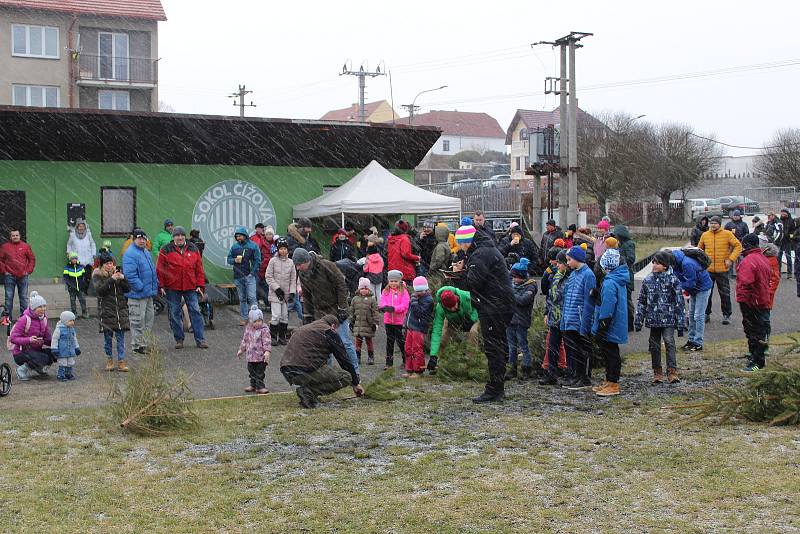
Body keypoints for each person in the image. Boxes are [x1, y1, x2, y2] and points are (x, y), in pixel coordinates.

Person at [451, 224, 514, 403]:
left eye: (460, 244)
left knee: (493, 348)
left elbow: (472, 284)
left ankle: (495, 389)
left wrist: (457, 275)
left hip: (494, 306)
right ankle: (496, 387)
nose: (460, 248)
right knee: (498, 346)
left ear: (466, 242)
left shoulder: (480, 254)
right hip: (499, 304)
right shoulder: (485, 250)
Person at [292, 248, 359, 373]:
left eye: (299, 264)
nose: (297, 268)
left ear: (307, 261)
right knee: (324, 345)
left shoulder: (326, 266)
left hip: (336, 309)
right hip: (320, 314)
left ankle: (355, 372)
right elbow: (306, 295)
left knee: (344, 342)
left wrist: (342, 307)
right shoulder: (303, 274)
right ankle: (328, 375)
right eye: (296, 265)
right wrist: (307, 314)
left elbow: (341, 285)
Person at [280, 315, 363, 409]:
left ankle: (309, 391)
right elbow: (343, 359)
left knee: (323, 370)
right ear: (333, 326)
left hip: (287, 370)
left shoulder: (305, 328)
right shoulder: (328, 331)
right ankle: (308, 393)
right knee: (346, 377)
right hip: (304, 369)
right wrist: (355, 383)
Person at [634, 251, 685, 385]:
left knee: (669, 342)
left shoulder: (673, 280)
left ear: (665, 266)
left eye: (657, 263)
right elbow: (642, 301)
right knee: (654, 346)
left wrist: (681, 323)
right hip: (653, 319)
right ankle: (657, 372)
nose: (654, 265)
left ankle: (672, 371)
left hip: (668, 319)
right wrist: (638, 320)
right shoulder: (648, 280)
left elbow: (679, 302)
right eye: (654, 262)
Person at [157, 226, 209, 349]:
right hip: (172, 288)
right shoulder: (165, 249)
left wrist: (200, 285)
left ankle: (200, 340)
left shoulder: (193, 248)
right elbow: (160, 269)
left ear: (185, 236)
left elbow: (199, 269)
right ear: (173, 237)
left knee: (195, 312)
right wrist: (161, 286)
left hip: (191, 287)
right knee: (174, 313)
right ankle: (179, 339)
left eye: (181, 235)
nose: (179, 237)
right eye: (177, 235)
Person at [590, 249, 630, 396]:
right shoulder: (617, 279)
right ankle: (609, 380)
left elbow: (608, 306)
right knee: (610, 352)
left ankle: (613, 383)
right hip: (615, 322)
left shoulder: (610, 283)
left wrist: (602, 326)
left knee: (611, 353)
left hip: (610, 324)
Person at [560, 245, 596, 390]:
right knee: (571, 350)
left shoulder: (588, 275)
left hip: (579, 321)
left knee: (580, 351)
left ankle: (583, 377)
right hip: (569, 319)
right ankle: (574, 375)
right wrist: (563, 320)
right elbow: (566, 298)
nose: (567, 263)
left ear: (577, 259)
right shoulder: (573, 275)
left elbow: (589, 302)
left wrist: (585, 324)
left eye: (569, 260)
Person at [736, 234, 772, 372]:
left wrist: (742, 300)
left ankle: (757, 362)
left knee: (754, 332)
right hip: (761, 299)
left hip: (752, 302)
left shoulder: (748, 261)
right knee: (759, 330)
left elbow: (745, 283)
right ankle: (756, 357)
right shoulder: (762, 258)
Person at [699, 216, 742, 325]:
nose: (713, 225)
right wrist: (701, 263)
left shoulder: (727, 234)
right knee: (706, 293)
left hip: (722, 269)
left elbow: (738, 246)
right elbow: (699, 250)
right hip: (708, 270)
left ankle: (726, 315)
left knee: (725, 293)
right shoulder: (705, 235)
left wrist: (731, 259)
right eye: (711, 223)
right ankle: (706, 314)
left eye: (715, 223)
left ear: (720, 224)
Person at [429, 286, 480, 373]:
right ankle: (438, 363)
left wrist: (472, 319)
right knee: (443, 337)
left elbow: (479, 308)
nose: (453, 309)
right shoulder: (440, 308)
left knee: (472, 333)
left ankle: (471, 363)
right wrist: (433, 355)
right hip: (452, 319)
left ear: (457, 299)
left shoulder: (466, 296)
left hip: (472, 317)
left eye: (454, 306)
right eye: (449, 308)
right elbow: (436, 330)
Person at [123, 228, 159, 355]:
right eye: (139, 238)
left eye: (144, 238)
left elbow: (152, 271)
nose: (142, 240)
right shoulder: (130, 253)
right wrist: (140, 287)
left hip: (148, 293)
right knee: (137, 320)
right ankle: (137, 346)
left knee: (149, 319)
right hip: (137, 294)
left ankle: (145, 343)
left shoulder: (145, 252)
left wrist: (155, 287)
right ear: (134, 239)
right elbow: (130, 274)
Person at [92, 253, 130, 372]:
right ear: (102, 265)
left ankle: (121, 361)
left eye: (111, 263)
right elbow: (100, 291)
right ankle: (109, 360)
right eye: (107, 264)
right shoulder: (97, 275)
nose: (110, 266)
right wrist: (111, 280)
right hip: (106, 312)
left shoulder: (117, 274)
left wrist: (123, 279)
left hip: (120, 311)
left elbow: (128, 289)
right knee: (108, 339)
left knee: (121, 338)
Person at [671, 248, 713, 352]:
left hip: (702, 289)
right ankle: (691, 340)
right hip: (695, 290)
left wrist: (677, 287)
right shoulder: (677, 263)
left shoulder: (686, 264)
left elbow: (690, 283)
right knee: (691, 315)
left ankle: (698, 342)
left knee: (698, 315)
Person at [504, 258, 538, 381]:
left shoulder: (531, 286)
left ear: (522, 276)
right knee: (511, 346)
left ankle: (526, 368)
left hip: (522, 321)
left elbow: (523, 301)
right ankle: (511, 369)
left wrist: (510, 295)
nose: (514, 280)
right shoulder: (513, 285)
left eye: (516, 277)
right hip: (510, 320)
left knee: (523, 346)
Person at [540, 250, 570, 386]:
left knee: (569, 347)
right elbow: (550, 297)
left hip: (566, 318)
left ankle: (570, 373)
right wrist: (547, 312)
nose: (557, 265)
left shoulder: (571, 278)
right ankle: (551, 373)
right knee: (552, 347)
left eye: (559, 263)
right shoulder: (555, 277)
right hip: (554, 317)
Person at [9, 291, 53, 381]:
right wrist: (29, 340)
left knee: (56, 352)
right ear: (33, 308)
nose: (43, 309)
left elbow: (47, 338)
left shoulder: (44, 319)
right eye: (39, 307)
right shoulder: (24, 319)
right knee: (43, 358)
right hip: (20, 353)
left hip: (36, 351)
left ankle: (38, 368)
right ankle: (21, 370)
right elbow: (13, 338)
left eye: (44, 306)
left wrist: (57, 342)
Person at [227, 226, 262, 326]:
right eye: (237, 236)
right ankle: (244, 318)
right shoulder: (234, 247)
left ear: (245, 235)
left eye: (240, 236)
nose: (238, 238)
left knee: (251, 297)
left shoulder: (253, 246)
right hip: (238, 276)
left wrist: (252, 273)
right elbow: (229, 259)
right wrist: (234, 260)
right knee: (242, 298)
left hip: (249, 276)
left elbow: (258, 260)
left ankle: (256, 318)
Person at [265, 237, 297, 346]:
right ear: (278, 249)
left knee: (284, 316)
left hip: (286, 295)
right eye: (281, 248)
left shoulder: (291, 262)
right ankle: (273, 337)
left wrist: (292, 292)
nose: (283, 251)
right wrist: (277, 288)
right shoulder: (273, 261)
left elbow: (293, 279)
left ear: (288, 250)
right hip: (275, 294)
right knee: (276, 315)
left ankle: (282, 337)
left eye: (285, 248)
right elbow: (268, 276)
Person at [0, 229, 35, 325]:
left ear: (19, 236)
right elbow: (1, 260)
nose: (15, 237)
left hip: (23, 276)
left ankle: (24, 319)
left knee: (23, 298)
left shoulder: (25, 246)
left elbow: (32, 259)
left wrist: (28, 271)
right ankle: (7, 319)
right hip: (9, 276)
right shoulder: (5, 247)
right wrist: (4, 271)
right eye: (13, 235)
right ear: (10, 237)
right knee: (8, 298)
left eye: (17, 235)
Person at [236, 305, 271, 394]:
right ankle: (253, 385)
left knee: (260, 372)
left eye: (260, 320)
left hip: (260, 357)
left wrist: (267, 351)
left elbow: (266, 341)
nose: (258, 323)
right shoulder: (248, 329)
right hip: (250, 356)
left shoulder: (264, 330)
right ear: (251, 321)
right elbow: (245, 340)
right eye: (256, 321)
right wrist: (241, 350)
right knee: (251, 371)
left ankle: (260, 386)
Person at [379, 270, 410, 369]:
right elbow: (382, 301)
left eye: (395, 281)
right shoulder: (385, 291)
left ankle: (405, 360)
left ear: (399, 281)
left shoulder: (403, 291)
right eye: (391, 281)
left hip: (399, 322)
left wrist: (394, 309)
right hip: (388, 321)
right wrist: (384, 307)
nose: (393, 283)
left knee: (400, 342)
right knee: (389, 342)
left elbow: (405, 305)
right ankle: (389, 363)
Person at [404, 276, 433, 378]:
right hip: (411, 326)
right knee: (408, 348)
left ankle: (418, 370)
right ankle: (409, 369)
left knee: (417, 349)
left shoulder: (428, 300)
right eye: (417, 290)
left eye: (421, 291)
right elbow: (409, 312)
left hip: (419, 327)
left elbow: (419, 313)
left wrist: (414, 302)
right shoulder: (415, 298)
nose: (419, 293)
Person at [349, 277, 381, 366]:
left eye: (366, 288)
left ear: (369, 289)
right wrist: (351, 321)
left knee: (369, 341)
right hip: (358, 325)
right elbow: (351, 311)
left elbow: (375, 312)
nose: (364, 290)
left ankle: (371, 357)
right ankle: (357, 357)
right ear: (359, 289)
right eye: (362, 288)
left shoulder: (372, 299)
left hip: (368, 324)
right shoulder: (355, 299)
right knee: (358, 342)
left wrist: (375, 323)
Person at [612, 224, 636, 331]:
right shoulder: (619, 244)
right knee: (621, 300)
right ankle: (623, 323)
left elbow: (631, 259)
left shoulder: (629, 244)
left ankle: (630, 323)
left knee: (627, 300)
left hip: (627, 275)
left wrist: (619, 258)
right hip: (620, 274)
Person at [387, 220, 420, 284]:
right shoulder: (404, 239)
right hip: (404, 272)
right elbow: (405, 254)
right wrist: (417, 257)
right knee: (406, 292)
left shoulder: (391, 239)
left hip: (393, 270)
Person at [51, 310, 80, 382]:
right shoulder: (59, 329)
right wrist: (54, 348)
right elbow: (54, 339)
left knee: (70, 362)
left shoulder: (72, 329)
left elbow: (74, 339)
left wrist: (77, 347)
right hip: (62, 350)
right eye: (70, 321)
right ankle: (61, 374)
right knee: (63, 362)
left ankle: (68, 373)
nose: (72, 322)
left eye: (73, 320)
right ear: (65, 320)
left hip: (70, 350)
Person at [251, 223, 275, 306]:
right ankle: (256, 303)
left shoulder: (274, 244)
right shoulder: (260, 242)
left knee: (268, 287)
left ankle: (269, 303)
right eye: (267, 234)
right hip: (261, 268)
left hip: (271, 269)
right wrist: (261, 262)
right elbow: (256, 254)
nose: (269, 236)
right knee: (257, 286)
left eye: (270, 234)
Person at [67, 218, 97, 284]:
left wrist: (93, 254)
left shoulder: (88, 234)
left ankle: (85, 290)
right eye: (80, 226)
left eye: (83, 226)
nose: (81, 228)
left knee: (87, 276)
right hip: (78, 259)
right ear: (77, 227)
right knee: (79, 276)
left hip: (88, 259)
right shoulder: (73, 235)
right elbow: (69, 245)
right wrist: (69, 253)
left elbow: (92, 244)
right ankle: (80, 290)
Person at [63, 252, 89, 319]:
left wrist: (83, 284)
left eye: (75, 258)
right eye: (72, 259)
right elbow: (66, 278)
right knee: (72, 301)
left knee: (82, 300)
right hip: (72, 288)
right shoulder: (67, 268)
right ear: (70, 260)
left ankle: (84, 312)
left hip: (80, 287)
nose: (74, 260)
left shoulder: (80, 267)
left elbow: (84, 276)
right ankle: (74, 313)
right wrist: (70, 285)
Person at [778, 208, 794, 278]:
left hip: (787, 241)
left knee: (788, 257)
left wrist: (790, 238)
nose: (783, 214)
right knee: (779, 257)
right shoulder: (780, 220)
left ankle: (789, 273)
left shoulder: (791, 221)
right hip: (780, 241)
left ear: (787, 213)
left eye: (784, 213)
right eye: (782, 213)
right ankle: (778, 272)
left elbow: (793, 231)